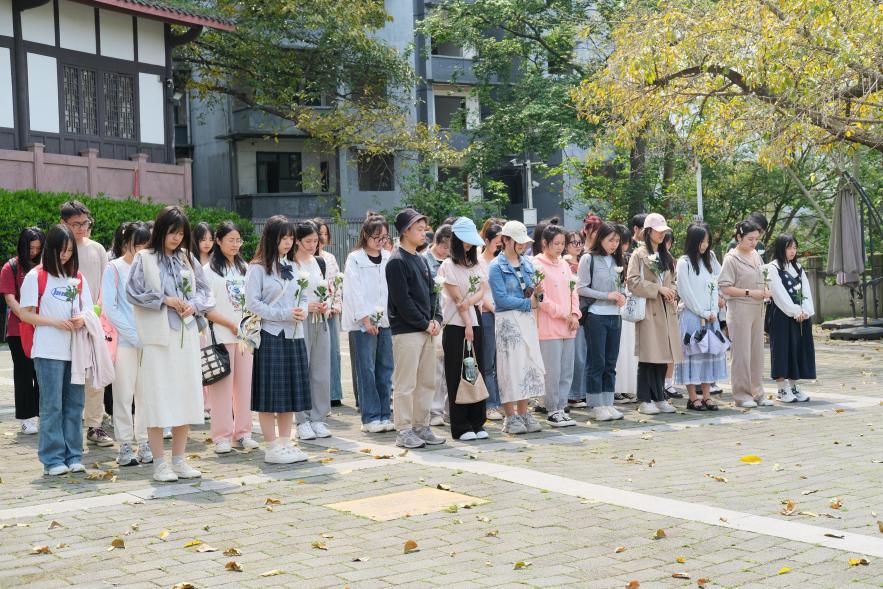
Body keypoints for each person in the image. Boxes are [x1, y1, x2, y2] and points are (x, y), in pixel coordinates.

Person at [127, 206, 215, 482]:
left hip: (186, 337)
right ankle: (159, 463)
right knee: (156, 397)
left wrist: (194, 305)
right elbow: (133, 292)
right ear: (160, 230)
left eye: (180, 233)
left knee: (185, 395)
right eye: (171, 232)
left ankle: (179, 459)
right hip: (156, 338)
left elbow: (206, 291)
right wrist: (164, 300)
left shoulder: (187, 258)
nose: (176, 238)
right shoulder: (144, 258)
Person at [18, 225, 92, 475]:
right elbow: (26, 314)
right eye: (61, 250)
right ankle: (52, 459)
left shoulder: (77, 277)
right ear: (50, 249)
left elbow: (90, 310)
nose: (65, 255)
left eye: (70, 251)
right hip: (48, 351)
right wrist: (54, 322)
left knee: (75, 405)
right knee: (52, 406)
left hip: (76, 352)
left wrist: (82, 319)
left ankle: (74, 455)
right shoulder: (36, 276)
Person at [245, 215, 310, 463]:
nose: (288, 242)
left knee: (290, 393)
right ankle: (271, 447)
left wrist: (303, 310)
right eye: (283, 237)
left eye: (291, 237)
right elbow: (252, 303)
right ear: (272, 238)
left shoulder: (293, 266)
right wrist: (283, 314)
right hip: (271, 334)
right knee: (269, 395)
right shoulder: (258, 268)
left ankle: (285, 443)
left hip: (294, 334)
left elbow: (303, 295)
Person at [386, 208, 445, 449]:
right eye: (419, 229)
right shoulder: (396, 261)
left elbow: (433, 293)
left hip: (427, 329)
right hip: (407, 331)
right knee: (405, 384)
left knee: (427, 382)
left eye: (424, 229)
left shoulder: (420, 259)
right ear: (405, 231)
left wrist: (437, 318)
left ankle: (422, 426)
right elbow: (403, 301)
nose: (424, 233)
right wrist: (425, 323)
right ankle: (404, 430)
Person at [204, 221, 259, 453]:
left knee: (244, 388)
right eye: (231, 240)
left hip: (245, 338)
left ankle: (244, 433)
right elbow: (206, 308)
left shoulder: (245, 267)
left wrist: (247, 326)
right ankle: (222, 437)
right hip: (221, 336)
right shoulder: (208, 271)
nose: (236, 245)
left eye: (238, 240)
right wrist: (231, 325)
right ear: (218, 241)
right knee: (222, 391)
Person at [60, 200, 112, 447]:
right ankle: (67, 426)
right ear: (63, 223)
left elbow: (105, 285)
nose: (81, 228)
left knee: (95, 374)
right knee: (68, 374)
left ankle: (94, 425)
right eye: (76, 224)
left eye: (85, 223)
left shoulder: (97, 249)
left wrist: (98, 313)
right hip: (66, 322)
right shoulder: (58, 249)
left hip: (93, 320)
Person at [102, 222, 153, 466]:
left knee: (146, 394)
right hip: (124, 341)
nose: (141, 249)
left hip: (149, 341)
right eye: (137, 244)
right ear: (126, 243)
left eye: (146, 245)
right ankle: (124, 443)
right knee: (123, 394)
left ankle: (144, 441)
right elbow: (110, 308)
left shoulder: (150, 268)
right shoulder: (113, 268)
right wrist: (134, 335)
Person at [488, 220, 545, 435]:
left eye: (523, 241)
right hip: (508, 321)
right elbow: (500, 299)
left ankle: (524, 413)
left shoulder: (528, 263)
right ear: (505, 240)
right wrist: (528, 303)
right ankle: (510, 416)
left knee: (528, 364)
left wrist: (538, 293)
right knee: (509, 367)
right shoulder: (496, 266)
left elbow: (535, 295)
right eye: (517, 241)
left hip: (527, 319)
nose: (522, 245)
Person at [438, 217, 491, 440]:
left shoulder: (477, 264)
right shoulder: (447, 266)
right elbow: (456, 298)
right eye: (465, 241)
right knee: (456, 372)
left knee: (476, 370)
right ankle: (460, 425)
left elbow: (481, 290)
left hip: (475, 320)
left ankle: (477, 422)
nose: (468, 245)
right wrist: (467, 322)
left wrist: (470, 305)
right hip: (456, 325)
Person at [626, 213, 683, 415]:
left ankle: (659, 397)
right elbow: (632, 281)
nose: (661, 234)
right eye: (658, 231)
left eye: (664, 231)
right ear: (648, 231)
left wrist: (672, 291)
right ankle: (645, 399)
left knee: (664, 355)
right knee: (648, 356)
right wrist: (657, 289)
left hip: (666, 310)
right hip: (649, 310)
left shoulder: (667, 255)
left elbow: (673, 280)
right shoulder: (638, 254)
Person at [343, 214, 394, 433]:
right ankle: (370, 417)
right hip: (363, 323)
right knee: (367, 369)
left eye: (384, 237)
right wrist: (365, 319)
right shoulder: (355, 258)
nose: (381, 242)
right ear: (365, 235)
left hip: (386, 321)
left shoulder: (389, 257)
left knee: (386, 368)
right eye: (376, 237)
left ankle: (385, 414)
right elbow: (353, 290)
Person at [718, 221, 773, 408]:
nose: (754, 242)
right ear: (739, 237)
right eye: (750, 239)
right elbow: (725, 287)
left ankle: (758, 392)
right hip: (739, 309)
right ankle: (742, 395)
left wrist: (765, 289)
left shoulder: (756, 255)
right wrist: (750, 292)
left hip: (758, 308)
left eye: (756, 239)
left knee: (757, 353)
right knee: (741, 353)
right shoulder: (731, 258)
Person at [674, 223, 727, 411]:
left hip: (711, 316)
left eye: (707, 241)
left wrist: (715, 306)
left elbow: (719, 281)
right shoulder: (684, 262)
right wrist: (703, 312)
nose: (704, 245)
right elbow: (685, 292)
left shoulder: (710, 259)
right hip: (692, 315)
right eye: (701, 241)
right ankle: (692, 397)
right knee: (692, 354)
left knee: (708, 354)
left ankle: (706, 396)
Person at [578, 222, 626, 421]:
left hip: (615, 316)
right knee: (596, 362)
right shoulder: (588, 258)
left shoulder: (618, 260)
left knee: (610, 362)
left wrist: (622, 296)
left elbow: (621, 287)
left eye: (617, 240)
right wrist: (607, 295)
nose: (614, 244)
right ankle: (596, 404)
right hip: (596, 315)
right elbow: (581, 288)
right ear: (601, 238)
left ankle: (608, 403)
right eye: (610, 240)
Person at [534, 224, 580, 427]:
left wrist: (575, 314)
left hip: (568, 325)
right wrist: (564, 314)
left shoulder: (564, 264)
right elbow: (541, 298)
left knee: (566, 370)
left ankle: (561, 407)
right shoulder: (537, 264)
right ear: (545, 243)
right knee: (552, 371)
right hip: (549, 326)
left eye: (563, 243)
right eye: (556, 243)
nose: (560, 247)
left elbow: (573, 291)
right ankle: (551, 408)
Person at [1, 227, 44, 435]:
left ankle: (42, 414)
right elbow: (10, 299)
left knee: (42, 373)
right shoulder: (10, 267)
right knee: (24, 374)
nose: (34, 252)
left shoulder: (47, 267)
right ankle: (27, 418)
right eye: (30, 248)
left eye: (38, 248)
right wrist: (27, 318)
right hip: (19, 330)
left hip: (44, 328)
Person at [292, 221, 333, 440]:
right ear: (297, 241)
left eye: (315, 241)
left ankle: (318, 417)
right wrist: (306, 306)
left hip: (320, 320)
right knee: (301, 369)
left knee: (321, 370)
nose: (312, 245)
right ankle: (302, 420)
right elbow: (287, 296)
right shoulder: (289, 264)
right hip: (300, 322)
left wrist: (326, 304)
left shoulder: (319, 262)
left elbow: (325, 290)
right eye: (308, 241)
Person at [767, 234, 815, 402]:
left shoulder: (798, 268)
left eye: (794, 247)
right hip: (782, 315)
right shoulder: (773, 268)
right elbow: (778, 293)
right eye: (789, 248)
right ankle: (782, 388)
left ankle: (793, 386)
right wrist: (795, 311)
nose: (792, 251)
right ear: (781, 248)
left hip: (800, 317)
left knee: (797, 349)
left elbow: (806, 291)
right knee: (781, 351)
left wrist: (805, 311)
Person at [424, 224, 452, 426]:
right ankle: (434, 411)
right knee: (435, 368)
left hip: (453, 317)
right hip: (434, 318)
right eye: (445, 246)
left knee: (451, 366)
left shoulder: (453, 261)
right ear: (436, 242)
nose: (447, 250)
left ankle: (450, 409)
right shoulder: (424, 260)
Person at [315, 219, 344, 407]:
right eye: (319, 234)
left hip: (332, 312)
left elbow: (337, 285)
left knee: (334, 353)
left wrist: (336, 306)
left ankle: (334, 393)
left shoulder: (330, 258)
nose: (322, 237)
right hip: (314, 311)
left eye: (325, 234)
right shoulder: (302, 259)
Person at [478, 222, 504, 421]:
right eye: (497, 242)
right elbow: (480, 291)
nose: (500, 246)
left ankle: (501, 402)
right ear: (487, 241)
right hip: (487, 314)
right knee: (488, 362)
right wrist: (493, 308)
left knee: (501, 362)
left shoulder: (501, 261)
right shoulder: (479, 262)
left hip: (502, 313)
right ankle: (490, 404)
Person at [613, 224, 638, 404]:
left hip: (629, 306)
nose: (622, 246)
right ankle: (616, 388)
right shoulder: (608, 260)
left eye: (624, 242)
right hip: (614, 306)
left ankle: (628, 386)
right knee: (618, 350)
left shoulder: (629, 258)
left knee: (629, 349)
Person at [565, 231, 588, 407]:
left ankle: (583, 391)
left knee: (585, 355)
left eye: (580, 242)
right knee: (576, 356)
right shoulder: (564, 265)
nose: (578, 246)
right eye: (573, 242)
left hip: (587, 312)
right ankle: (573, 394)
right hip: (571, 313)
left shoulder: (584, 262)